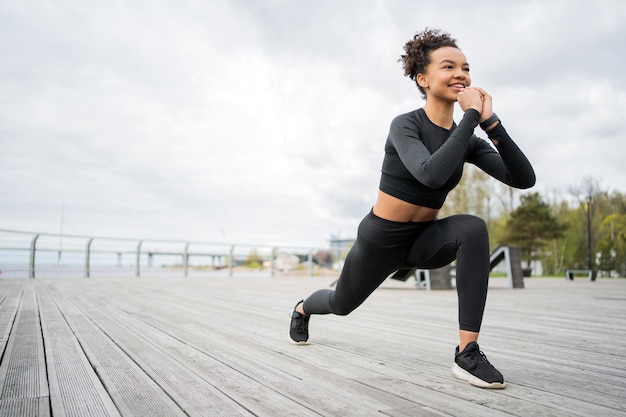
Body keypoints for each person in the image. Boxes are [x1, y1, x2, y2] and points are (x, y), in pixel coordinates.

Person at [289, 28, 535, 389]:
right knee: (341, 303)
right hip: (380, 240)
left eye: (466, 68)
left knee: (472, 227)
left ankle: (467, 353)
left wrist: (490, 122)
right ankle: (302, 308)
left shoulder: (466, 137)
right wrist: (469, 118)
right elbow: (430, 174)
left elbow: (523, 178)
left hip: (423, 241)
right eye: (448, 66)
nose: (461, 75)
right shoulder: (406, 125)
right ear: (423, 78)